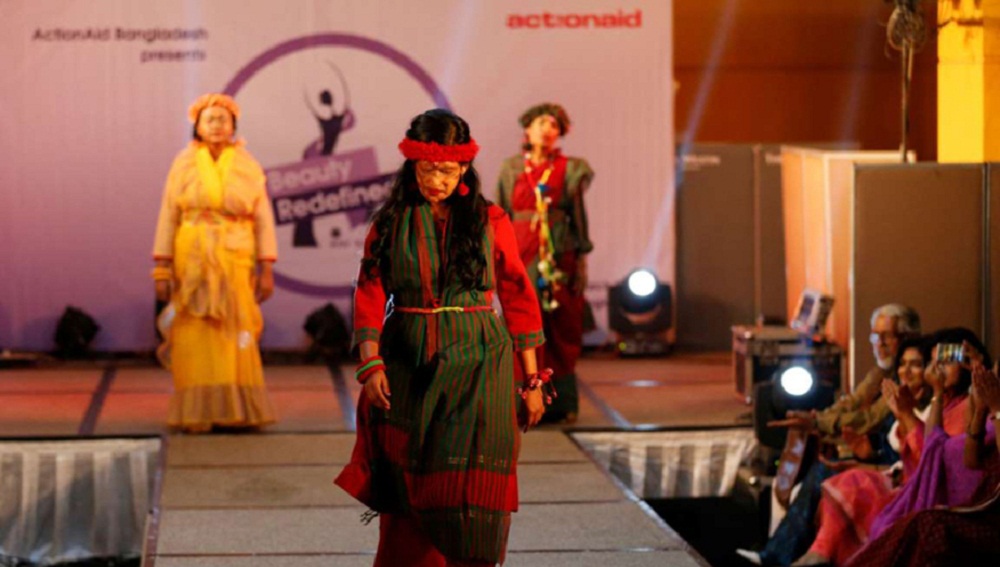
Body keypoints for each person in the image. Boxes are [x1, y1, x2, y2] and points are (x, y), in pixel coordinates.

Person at [335, 109, 548, 567]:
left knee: (471, 483)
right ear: (412, 166)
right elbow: (370, 291)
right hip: (408, 358)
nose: (437, 181)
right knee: (410, 481)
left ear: (464, 168)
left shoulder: (491, 220)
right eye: (427, 170)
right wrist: (370, 364)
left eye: (448, 171)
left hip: (481, 362)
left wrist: (532, 381)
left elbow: (518, 295)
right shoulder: (390, 223)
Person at [737, 304, 920, 565]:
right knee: (795, 471)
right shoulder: (881, 372)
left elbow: (868, 419)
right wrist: (816, 419)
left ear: (908, 337)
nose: (878, 344)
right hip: (867, 451)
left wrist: (817, 421)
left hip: (888, 463)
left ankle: (777, 556)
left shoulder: (907, 380)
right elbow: (850, 404)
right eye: (875, 335)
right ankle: (776, 552)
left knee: (820, 473)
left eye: (886, 336)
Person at [151, 93, 279, 433]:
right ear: (197, 126)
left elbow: (263, 219)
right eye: (210, 119)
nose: (217, 125)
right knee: (195, 333)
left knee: (235, 332)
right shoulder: (183, 163)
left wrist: (266, 268)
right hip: (192, 258)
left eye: (223, 119)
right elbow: (168, 214)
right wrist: (162, 268)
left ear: (234, 125)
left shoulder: (248, 165)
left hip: (235, 256)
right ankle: (197, 412)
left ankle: (238, 410)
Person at [844, 363, 1000, 566]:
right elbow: (959, 454)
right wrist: (978, 409)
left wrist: (996, 408)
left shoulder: (971, 405)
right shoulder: (964, 404)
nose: (938, 368)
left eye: (947, 360)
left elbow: (930, 449)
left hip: (983, 507)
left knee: (923, 525)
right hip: (945, 488)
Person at [496, 102, 593, 424]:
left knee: (562, 329)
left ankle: (561, 404)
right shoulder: (511, 168)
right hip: (521, 255)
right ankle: (522, 402)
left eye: (554, 125)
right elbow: (499, 216)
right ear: (527, 129)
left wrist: (581, 262)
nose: (547, 130)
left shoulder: (571, 168)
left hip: (559, 257)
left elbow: (578, 217)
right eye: (541, 123)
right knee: (522, 326)